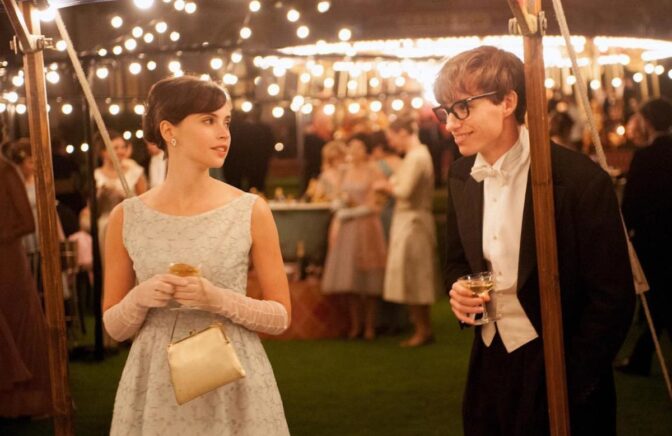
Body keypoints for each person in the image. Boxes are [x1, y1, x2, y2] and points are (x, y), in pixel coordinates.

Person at [437, 46, 635, 435]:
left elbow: (612, 297)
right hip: (489, 363)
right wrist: (458, 288)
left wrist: (572, 378)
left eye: (462, 107)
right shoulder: (461, 176)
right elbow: (456, 261)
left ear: (507, 102)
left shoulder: (577, 180)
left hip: (561, 368)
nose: (450, 124)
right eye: (445, 111)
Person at [102, 76, 291, 435]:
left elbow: (280, 317)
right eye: (208, 120)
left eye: (226, 121)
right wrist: (139, 298)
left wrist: (217, 299)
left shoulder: (250, 209)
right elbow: (114, 327)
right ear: (168, 130)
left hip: (233, 380)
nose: (224, 134)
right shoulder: (126, 216)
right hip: (155, 382)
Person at [617, 98, 672, 376]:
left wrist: (625, 233)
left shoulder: (646, 157)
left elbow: (631, 204)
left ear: (647, 122)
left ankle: (641, 358)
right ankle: (641, 357)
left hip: (653, 240)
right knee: (660, 299)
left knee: (657, 300)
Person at [374, 116, 439, 347]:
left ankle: (423, 329)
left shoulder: (417, 157)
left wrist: (384, 186)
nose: (391, 144)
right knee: (411, 275)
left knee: (416, 276)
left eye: (392, 137)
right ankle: (420, 327)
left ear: (403, 133)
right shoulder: (415, 156)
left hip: (413, 222)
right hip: (409, 220)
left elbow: (404, 191)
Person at [0, 135, 52, 418]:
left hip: (8, 261)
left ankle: (29, 401)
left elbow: (28, 222)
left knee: (17, 323)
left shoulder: (7, 171)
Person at [321, 134, 387, 340]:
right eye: (352, 147)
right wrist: (339, 205)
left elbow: (377, 203)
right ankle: (355, 325)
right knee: (350, 280)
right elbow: (337, 194)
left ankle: (370, 326)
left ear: (365, 150)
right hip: (348, 229)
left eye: (359, 147)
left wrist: (353, 212)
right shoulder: (345, 171)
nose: (354, 151)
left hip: (366, 226)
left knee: (369, 279)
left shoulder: (373, 171)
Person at [94, 130, 147, 261]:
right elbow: (91, 208)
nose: (121, 151)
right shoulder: (97, 175)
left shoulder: (134, 171)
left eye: (123, 147)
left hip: (131, 222)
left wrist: (124, 196)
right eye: (116, 148)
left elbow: (146, 201)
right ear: (103, 151)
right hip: (106, 225)